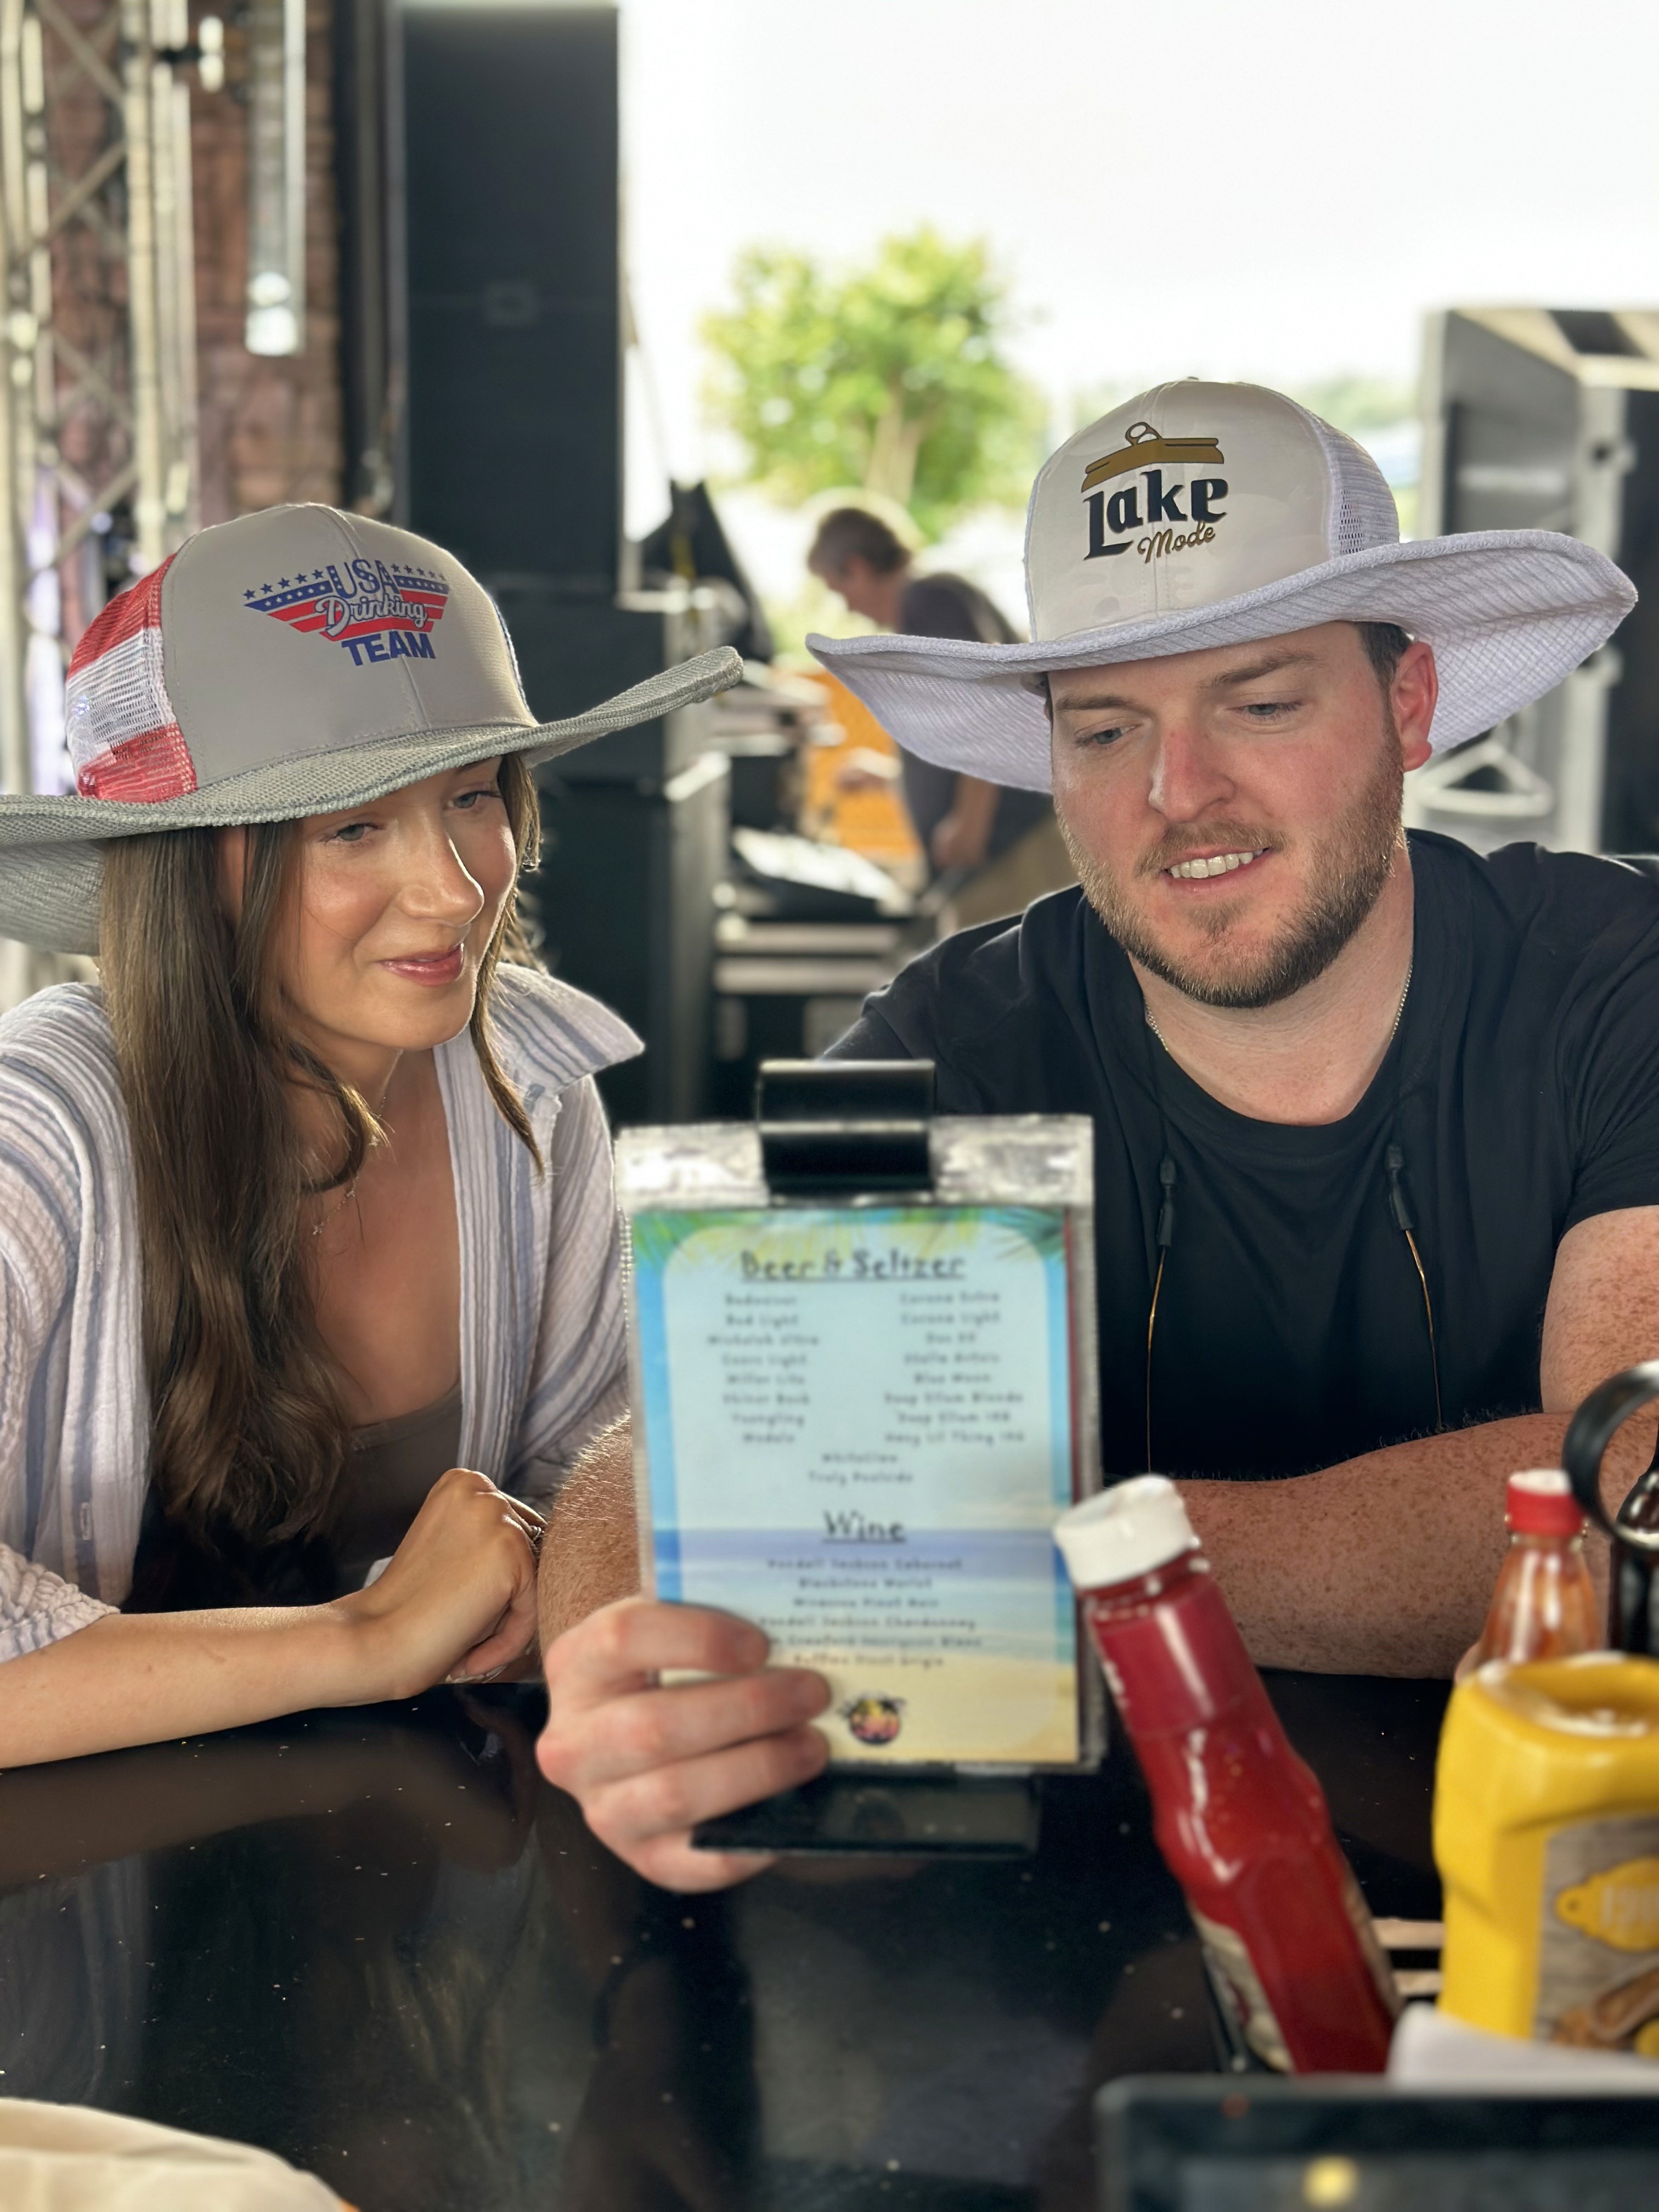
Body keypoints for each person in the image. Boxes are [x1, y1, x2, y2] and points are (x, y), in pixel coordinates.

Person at [533, 379, 1659, 1892]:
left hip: (1555, 1896)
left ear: (1408, 704)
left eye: (1261, 703)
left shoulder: (1612, 978)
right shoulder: (957, 1034)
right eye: (1106, 726)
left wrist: (1039, 1568)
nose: (1175, 794)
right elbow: (679, 1443)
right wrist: (627, 1689)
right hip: (1053, 1931)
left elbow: (1628, 1501)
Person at [0, 502, 737, 1767]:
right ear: (192, 867)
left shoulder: (534, 1083)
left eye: (474, 797)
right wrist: (359, 1640)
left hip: (431, 1897)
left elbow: (597, 1484)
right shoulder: (43, 1123)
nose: (457, 888)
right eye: (354, 827)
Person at [806, 506, 1073, 927]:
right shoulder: (936, 602)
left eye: (838, 589)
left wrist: (970, 821)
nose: (847, 606)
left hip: (1012, 846)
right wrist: (888, 776)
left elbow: (988, 706)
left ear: (856, 569)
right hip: (1003, 850)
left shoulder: (928, 599)